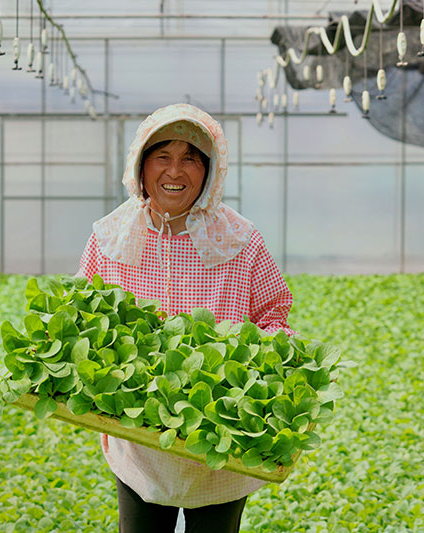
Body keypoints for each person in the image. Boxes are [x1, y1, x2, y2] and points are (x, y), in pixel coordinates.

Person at [75, 103, 295, 533]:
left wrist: (267, 365)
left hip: (221, 438)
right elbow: (82, 315)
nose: (175, 171)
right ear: (140, 166)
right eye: (163, 156)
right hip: (137, 437)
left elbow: (274, 315)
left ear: (209, 170)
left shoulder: (240, 239)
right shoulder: (110, 236)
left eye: (191, 157)